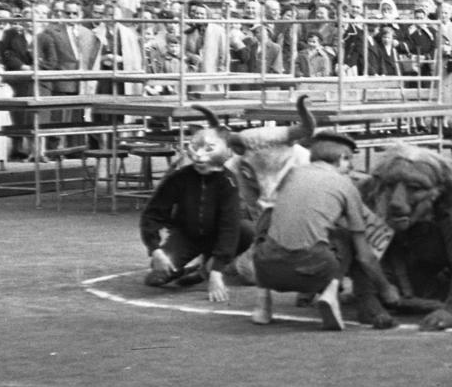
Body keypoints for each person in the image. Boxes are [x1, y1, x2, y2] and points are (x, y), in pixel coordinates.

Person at [247, 131, 397, 328]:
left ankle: (263, 303)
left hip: (266, 269)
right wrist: (386, 288)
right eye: (349, 161)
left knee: (267, 219)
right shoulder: (345, 185)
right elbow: (364, 256)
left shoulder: (290, 175)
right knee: (351, 236)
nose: (350, 168)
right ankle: (331, 292)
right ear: (342, 158)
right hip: (314, 272)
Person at [140, 120, 252, 303]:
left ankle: (207, 269)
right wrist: (155, 250)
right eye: (196, 148)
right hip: (187, 236)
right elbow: (152, 214)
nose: (200, 157)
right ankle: (189, 269)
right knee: (157, 278)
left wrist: (217, 270)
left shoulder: (228, 182)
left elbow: (229, 227)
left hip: (217, 236)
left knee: (248, 231)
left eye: (208, 149)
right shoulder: (179, 178)